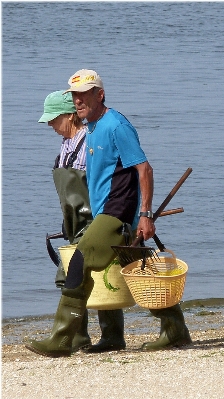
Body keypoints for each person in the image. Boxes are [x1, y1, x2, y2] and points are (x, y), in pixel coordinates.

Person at [26, 70, 191, 357]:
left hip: (118, 212)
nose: (78, 101)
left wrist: (146, 214)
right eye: (74, 96)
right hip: (106, 211)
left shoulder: (116, 126)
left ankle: (63, 338)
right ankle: (172, 330)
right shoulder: (91, 126)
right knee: (135, 272)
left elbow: (144, 169)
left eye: (84, 94)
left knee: (79, 262)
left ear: (99, 94)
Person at [38, 90, 127, 353]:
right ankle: (88, 337)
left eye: (54, 120)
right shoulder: (66, 145)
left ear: (70, 116)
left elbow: (101, 183)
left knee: (81, 274)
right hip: (75, 220)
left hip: (96, 217)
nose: (51, 126)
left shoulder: (89, 140)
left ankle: (83, 337)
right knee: (89, 274)